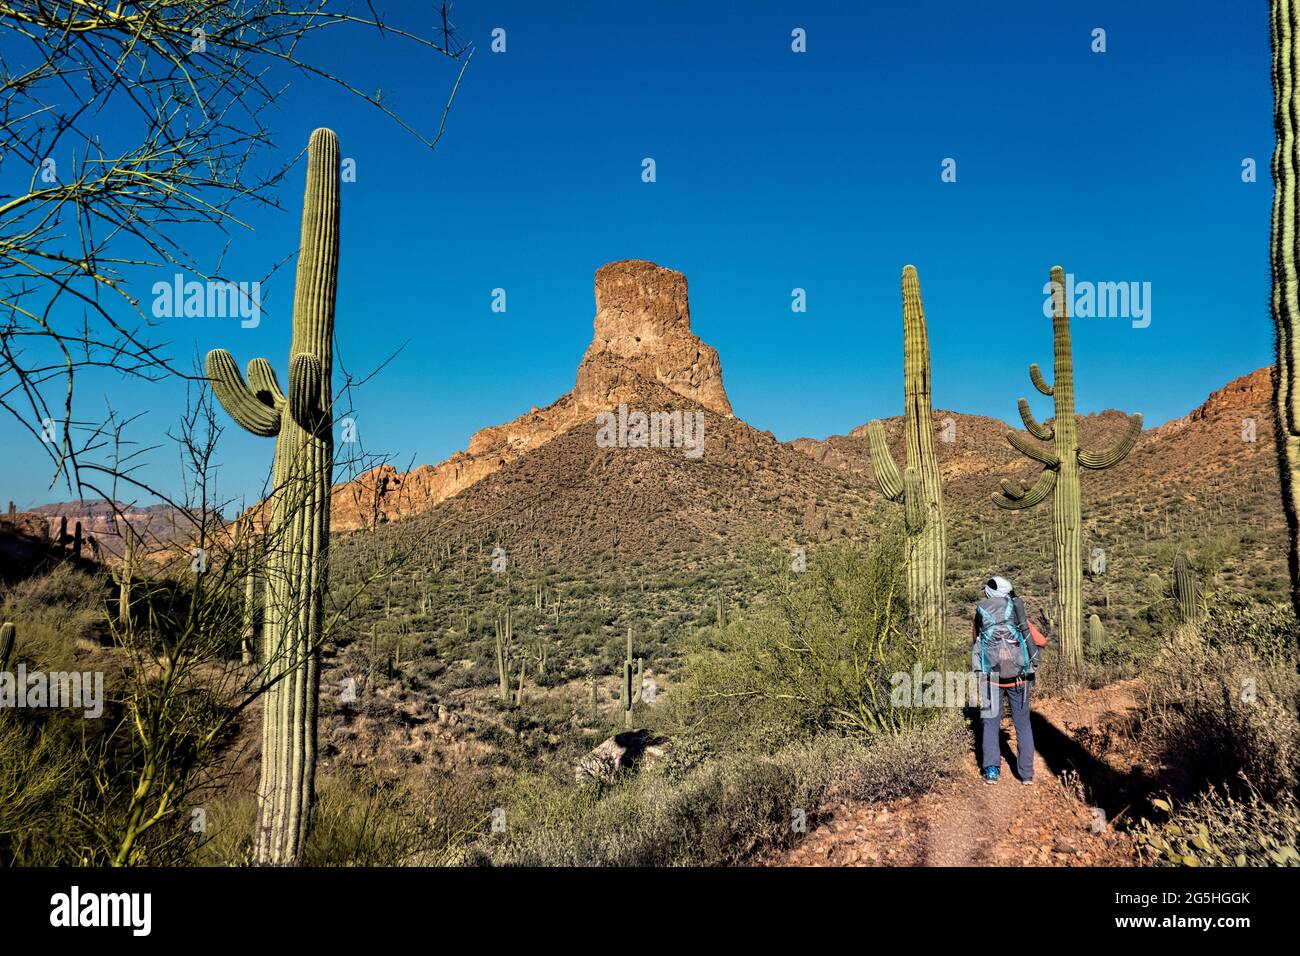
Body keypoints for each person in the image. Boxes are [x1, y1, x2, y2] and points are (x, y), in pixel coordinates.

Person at [972, 576, 1043, 785]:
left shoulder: (980, 612)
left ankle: (992, 771)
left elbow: (975, 640)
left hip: (991, 678)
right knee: (1022, 723)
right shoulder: (1016, 611)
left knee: (990, 723)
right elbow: (1040, 641)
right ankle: (1026, 774)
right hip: (1019, 678)